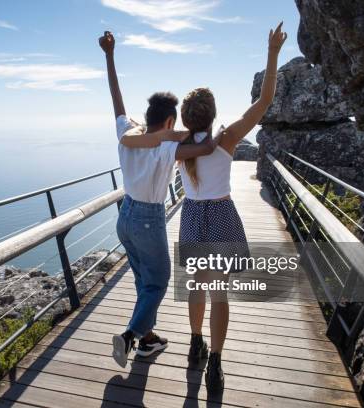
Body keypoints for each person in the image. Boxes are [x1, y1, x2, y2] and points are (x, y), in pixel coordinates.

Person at [118, 23, 287, 390]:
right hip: (222, 215)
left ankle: (195, 345)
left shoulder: (177, 147)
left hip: (193, 216)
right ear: (212, 115)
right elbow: (264, 102)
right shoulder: (226, 139)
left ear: (186, 119)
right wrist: (272, 52)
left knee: (196, 284)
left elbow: (136, 138)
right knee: (219, 292)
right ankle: (215, 363)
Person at [98, 31, 219, 368]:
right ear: (169, 121)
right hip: (149, 219)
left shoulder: (127, 134)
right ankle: (128, 337)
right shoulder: (166, 149)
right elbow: (205, 145)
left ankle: (148, 340)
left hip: (125, 216)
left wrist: (109, 54)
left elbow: (116, 99)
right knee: (159, 280)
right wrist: (202, 135)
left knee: (143, 280)